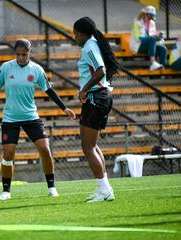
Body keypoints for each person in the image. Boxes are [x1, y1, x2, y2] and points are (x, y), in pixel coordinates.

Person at [0, 39, 75, 201]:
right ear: (14, 53)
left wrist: (64, 108)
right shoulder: (6, 68)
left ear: (30, 53)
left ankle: (51, 187)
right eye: (18, 54)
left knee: (45, 149)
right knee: (8, 154)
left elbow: (49, 90)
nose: (21, 57)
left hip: (31, 117)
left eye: (24, 54)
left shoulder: (36, 70)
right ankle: (6, 191)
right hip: (10, 118)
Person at [73, 17, 120, 203]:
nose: (74, 37)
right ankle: (105, 188)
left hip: (96, 97)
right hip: (100, 96)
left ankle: (104, 190)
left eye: (75, 33)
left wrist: (84, 89)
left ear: (82, 33)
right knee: (92, 146)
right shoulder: (93, 44)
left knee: (88, 147)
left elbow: (100, 70)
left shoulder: (89, 46)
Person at [130, 5, 167, 70]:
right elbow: (137, 38)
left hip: (149, 46)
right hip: (138, 46)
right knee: (151, 38)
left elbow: (153, 36)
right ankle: (153, 63)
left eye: (153, 15)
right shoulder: (137, 22)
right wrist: (151, 38)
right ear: (145, 14)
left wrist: (159, 37)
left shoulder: (152, 23)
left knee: (163, 49)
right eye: (150, 15)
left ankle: (162, 69)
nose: (151, 17)